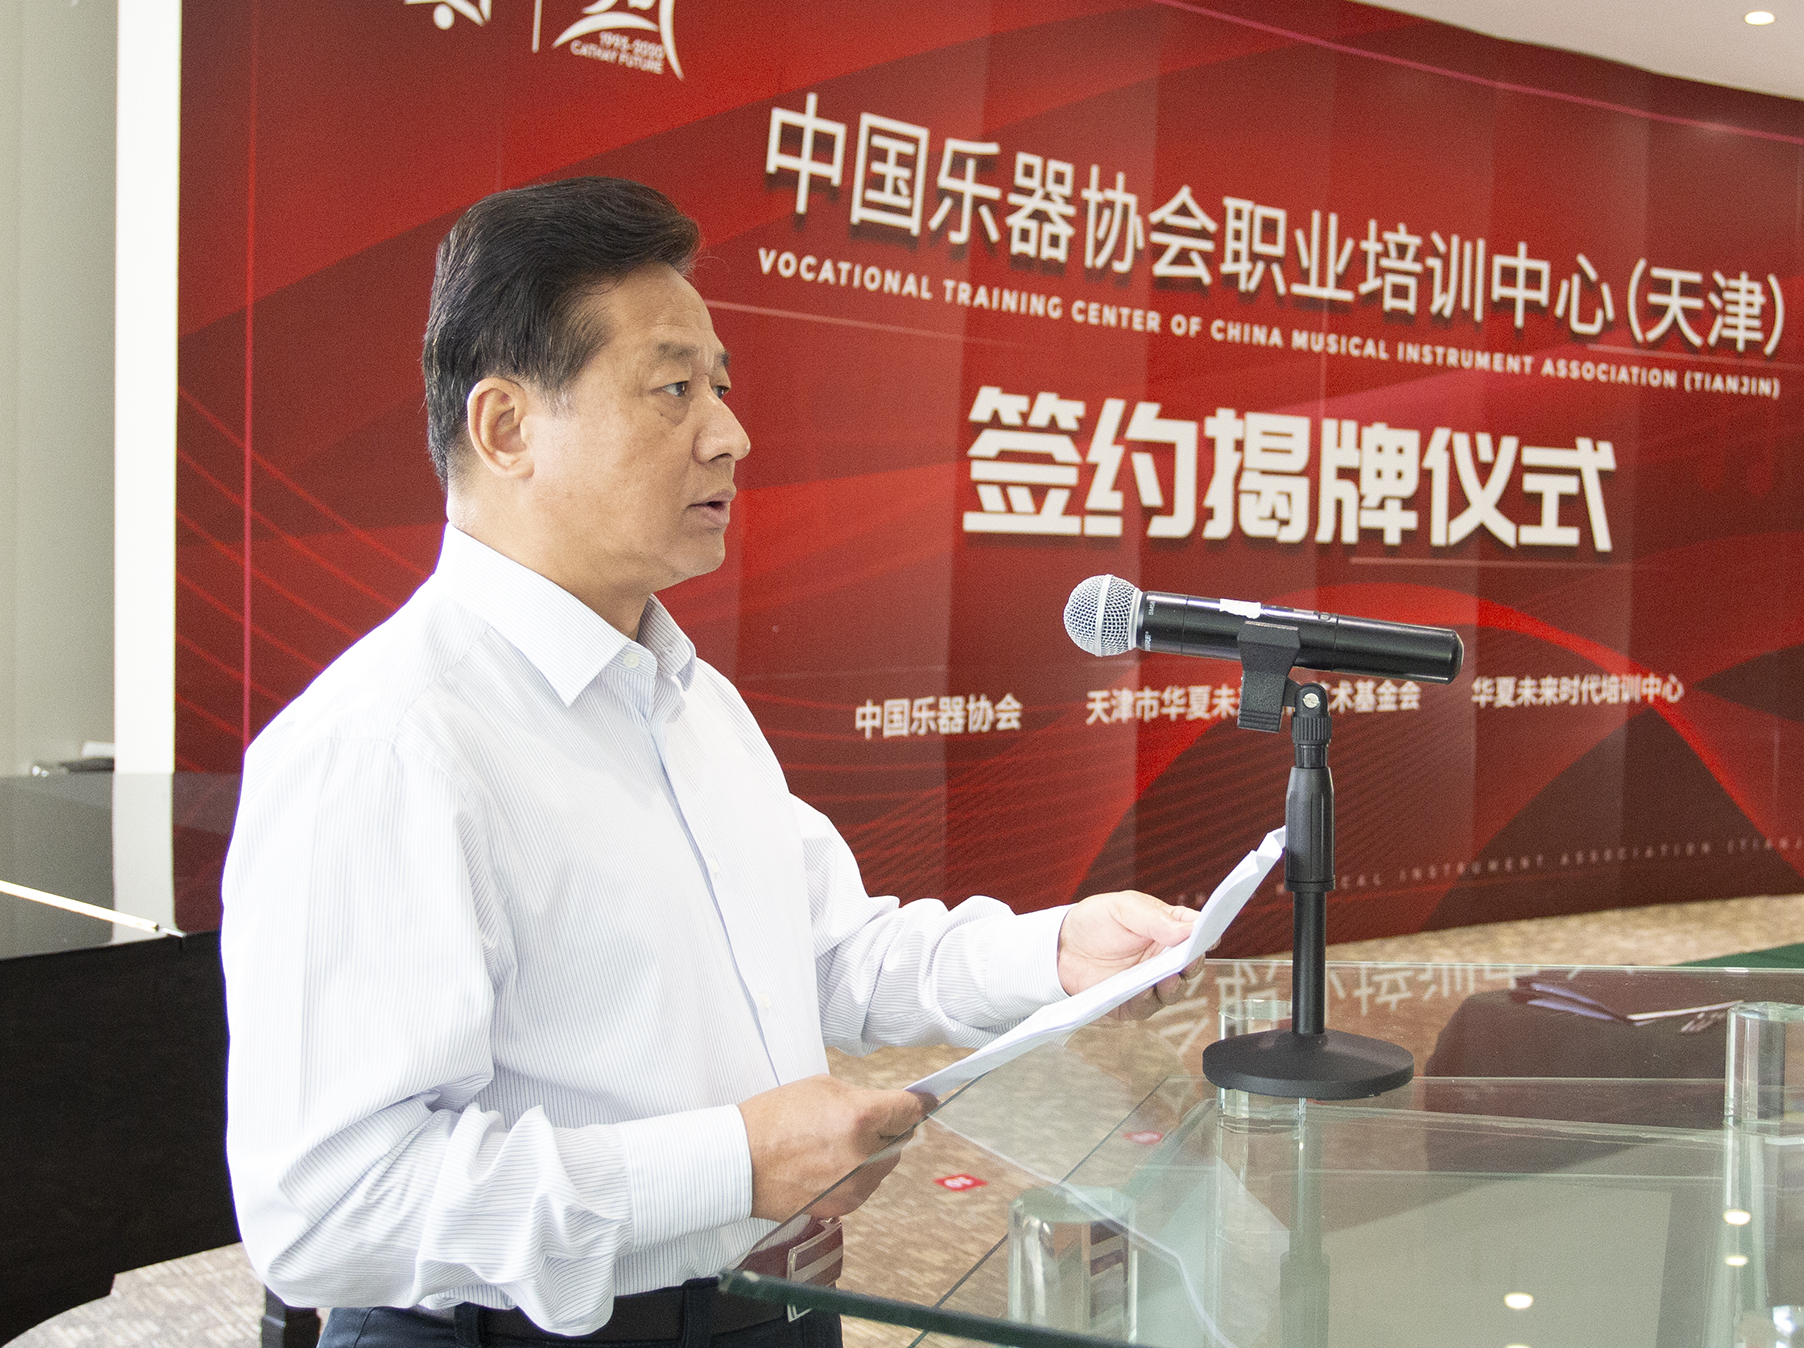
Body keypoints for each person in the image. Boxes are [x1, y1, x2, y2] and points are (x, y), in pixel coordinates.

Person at [220, 178, 1199, 1348]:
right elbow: (327, 1211)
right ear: (506, 428)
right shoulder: (383, 746)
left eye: (720, 387)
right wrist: (729, 1162)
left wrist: (1053, 951)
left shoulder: (691, 699)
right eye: (673, 387)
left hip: (769, 1306)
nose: (729, 434)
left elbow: (826, 952)